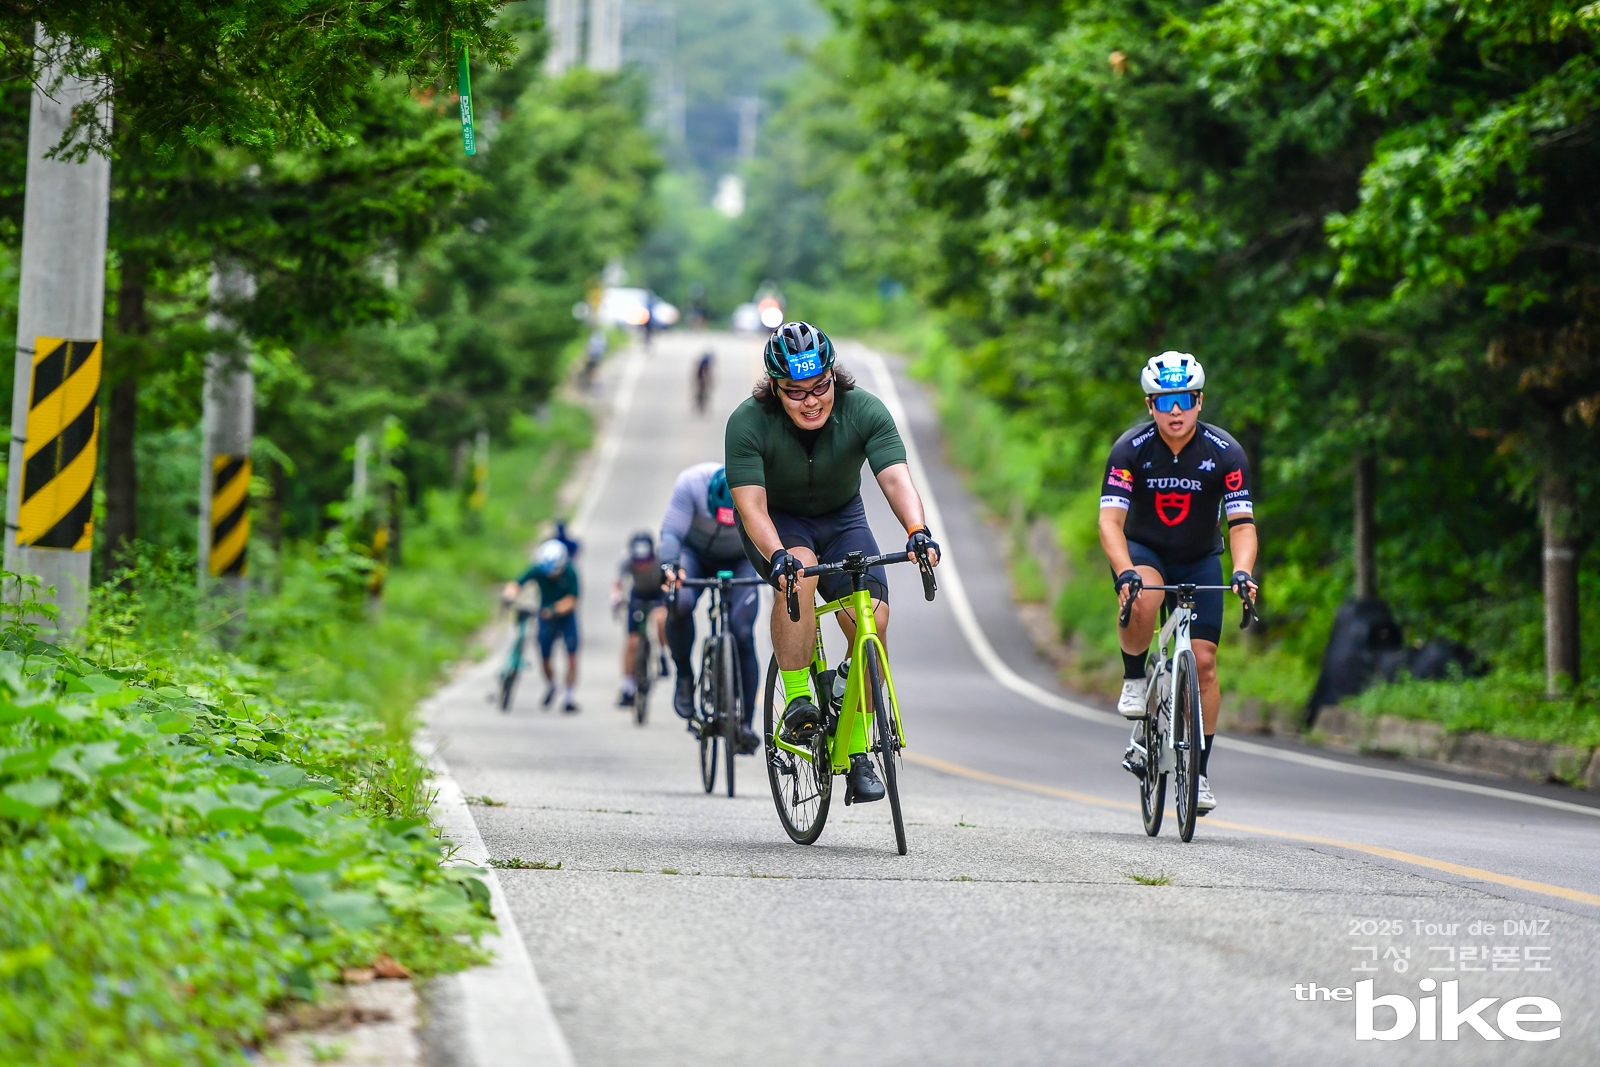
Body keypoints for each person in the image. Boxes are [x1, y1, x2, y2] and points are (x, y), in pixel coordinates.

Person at [726, 320, 940, 805]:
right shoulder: (748, 422)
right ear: (775, 388)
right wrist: (777, 556)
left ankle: (858, 750)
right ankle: (798, 699)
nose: (811, 401)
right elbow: (751, 506)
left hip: (842, 520)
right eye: (796, 392)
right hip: (778, 522)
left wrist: (917, 529)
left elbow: (895, 477)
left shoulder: (863, 409)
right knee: (798, 573)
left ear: (833, 376)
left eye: (820, 386)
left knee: (873, 621)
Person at [1098, 351, 1260, 814]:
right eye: (1165, 401)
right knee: (1145, 598)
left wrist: (1243, 571)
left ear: (1199, 401)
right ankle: (1135, 678)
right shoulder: (1130, 450)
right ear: (1150, 405)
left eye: (1185, 400)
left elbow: (1242, 525)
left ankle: (1199, 773)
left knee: (1204, 664)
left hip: (1199, 558)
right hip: (1145, 552)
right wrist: (1125, 571)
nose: (1175, 411)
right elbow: (1110, 522)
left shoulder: (1226, 452)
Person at [659, 463, 762, 752]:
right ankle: (684, 673)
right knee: (680, 602)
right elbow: (670, 534)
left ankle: (745, 724)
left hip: (742, 558)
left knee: (743, 632)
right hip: (695, 555)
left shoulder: (760, 487)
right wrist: (670, 566)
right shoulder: (691, 483)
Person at [502, 538, 582, 713]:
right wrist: (509, 596)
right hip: (545, 617)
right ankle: (552, 684)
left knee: (571, 656)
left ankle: (569, 697)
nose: (551, 575)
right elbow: (517, 583)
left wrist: (555, 609)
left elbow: (572, 599)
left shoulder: (570, 572)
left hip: (565, 617)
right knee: (544, 657)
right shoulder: (538, 570)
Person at [611, 529, 669, 707]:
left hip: (658, 592)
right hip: (638, 594)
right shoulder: (626, 560)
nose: (643, 566)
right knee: (631, 642)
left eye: (646, 562)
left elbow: (669, 581)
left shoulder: (661, 559)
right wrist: (616, 599)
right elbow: (618, 584)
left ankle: (663, 655)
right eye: (639, 562)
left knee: (660, 619)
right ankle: (628, 687)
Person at [694, 350, 715, 415]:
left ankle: (700, 403)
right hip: (701, 377)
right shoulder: (706, 362)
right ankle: (700, 404)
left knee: (702, 391)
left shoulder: (705, 361)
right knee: (702, 391)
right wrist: (708, 380)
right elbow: (705, 372)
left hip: (700, 377)